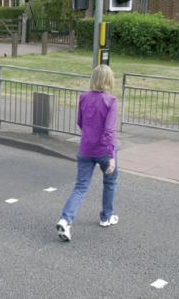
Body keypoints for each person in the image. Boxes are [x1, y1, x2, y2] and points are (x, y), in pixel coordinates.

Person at [57, 64, 119, 242]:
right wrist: (112, 156)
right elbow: (109, 131)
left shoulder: (83, 97)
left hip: (85, 148)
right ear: (109, 80)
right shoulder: (111, 101)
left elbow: (80, 122)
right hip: (104, 150)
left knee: (80, 187)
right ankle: (106, 216)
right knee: (110, 182)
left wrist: (89, 135)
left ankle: (66, 219)